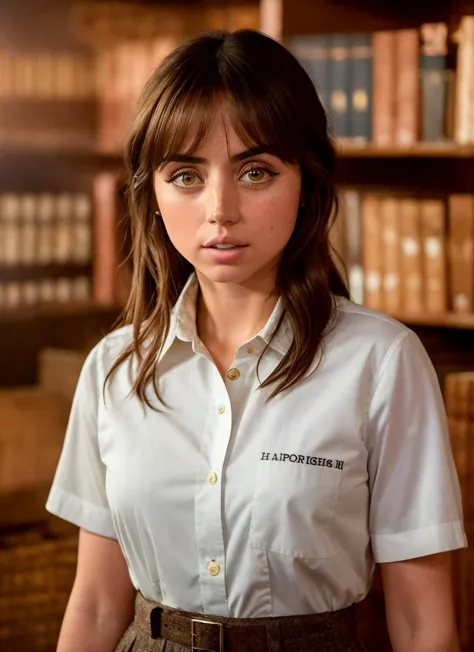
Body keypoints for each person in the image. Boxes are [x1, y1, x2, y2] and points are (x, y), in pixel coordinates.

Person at [46, 28, 467, 652]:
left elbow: (421, 625)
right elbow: (98, 605)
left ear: (308, 182)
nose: (220, 209)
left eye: (255, 171)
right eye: (186, 175)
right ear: (152, 193)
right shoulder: (114, 368)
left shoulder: (381, 362)